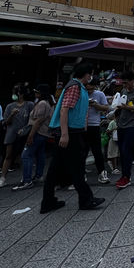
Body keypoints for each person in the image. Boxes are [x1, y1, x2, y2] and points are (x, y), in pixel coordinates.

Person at [41, 63, 105, 213]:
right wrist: (64, 134)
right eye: (90, 74)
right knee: (76, 167)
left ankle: (48, 201)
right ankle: (86, 199)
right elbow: (64, 110)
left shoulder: (79, 87)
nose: (91, 77)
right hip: (69, 132)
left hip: (71, 132)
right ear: (86, 74)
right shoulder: (75, 87)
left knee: (55, 169)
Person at [13, 84, 53, 190]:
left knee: (26, 155)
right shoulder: (46, 103)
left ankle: (27, 180)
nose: (35, 93)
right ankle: (38, 175)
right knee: (40, 154)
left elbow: (38, 121)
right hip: (43, 133)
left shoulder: (42, 103)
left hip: (38, 132)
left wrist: (30, 135)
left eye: (37, 92)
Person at [0, 85, 34, 188]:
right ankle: (2, 178)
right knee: (8, 156)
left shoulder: (30, 105)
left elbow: (32, 120)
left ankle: (24, 177)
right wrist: (11, 115)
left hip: (24, 134)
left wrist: (27, 130)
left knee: (23, 156)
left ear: (21, 94)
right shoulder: (10, 106)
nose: (14, 94)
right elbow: (5, 122)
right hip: (11, 133)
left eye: (15, 92)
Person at [114, 71, 134, 189]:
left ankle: (126, 177)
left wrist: (128, 107)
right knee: (122, 152)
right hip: (121, 124)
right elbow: (121, 105)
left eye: (126, 83)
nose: (124, 85)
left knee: (126, 151)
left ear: (132, 80)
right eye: (123, 83)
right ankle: (124, 175)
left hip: (131, 125)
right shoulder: (123, 91)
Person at [84, 77, 110, 184]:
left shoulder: (99, 94)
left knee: (97, 151)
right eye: (87, 88)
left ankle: (102, 173)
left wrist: (96, 105)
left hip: (94, 125)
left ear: (95, 86)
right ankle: (81, 173)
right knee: (82, 150)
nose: (89, 91)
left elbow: (106, 108)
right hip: (81, 126)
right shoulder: (81, 93)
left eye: (91, 89)